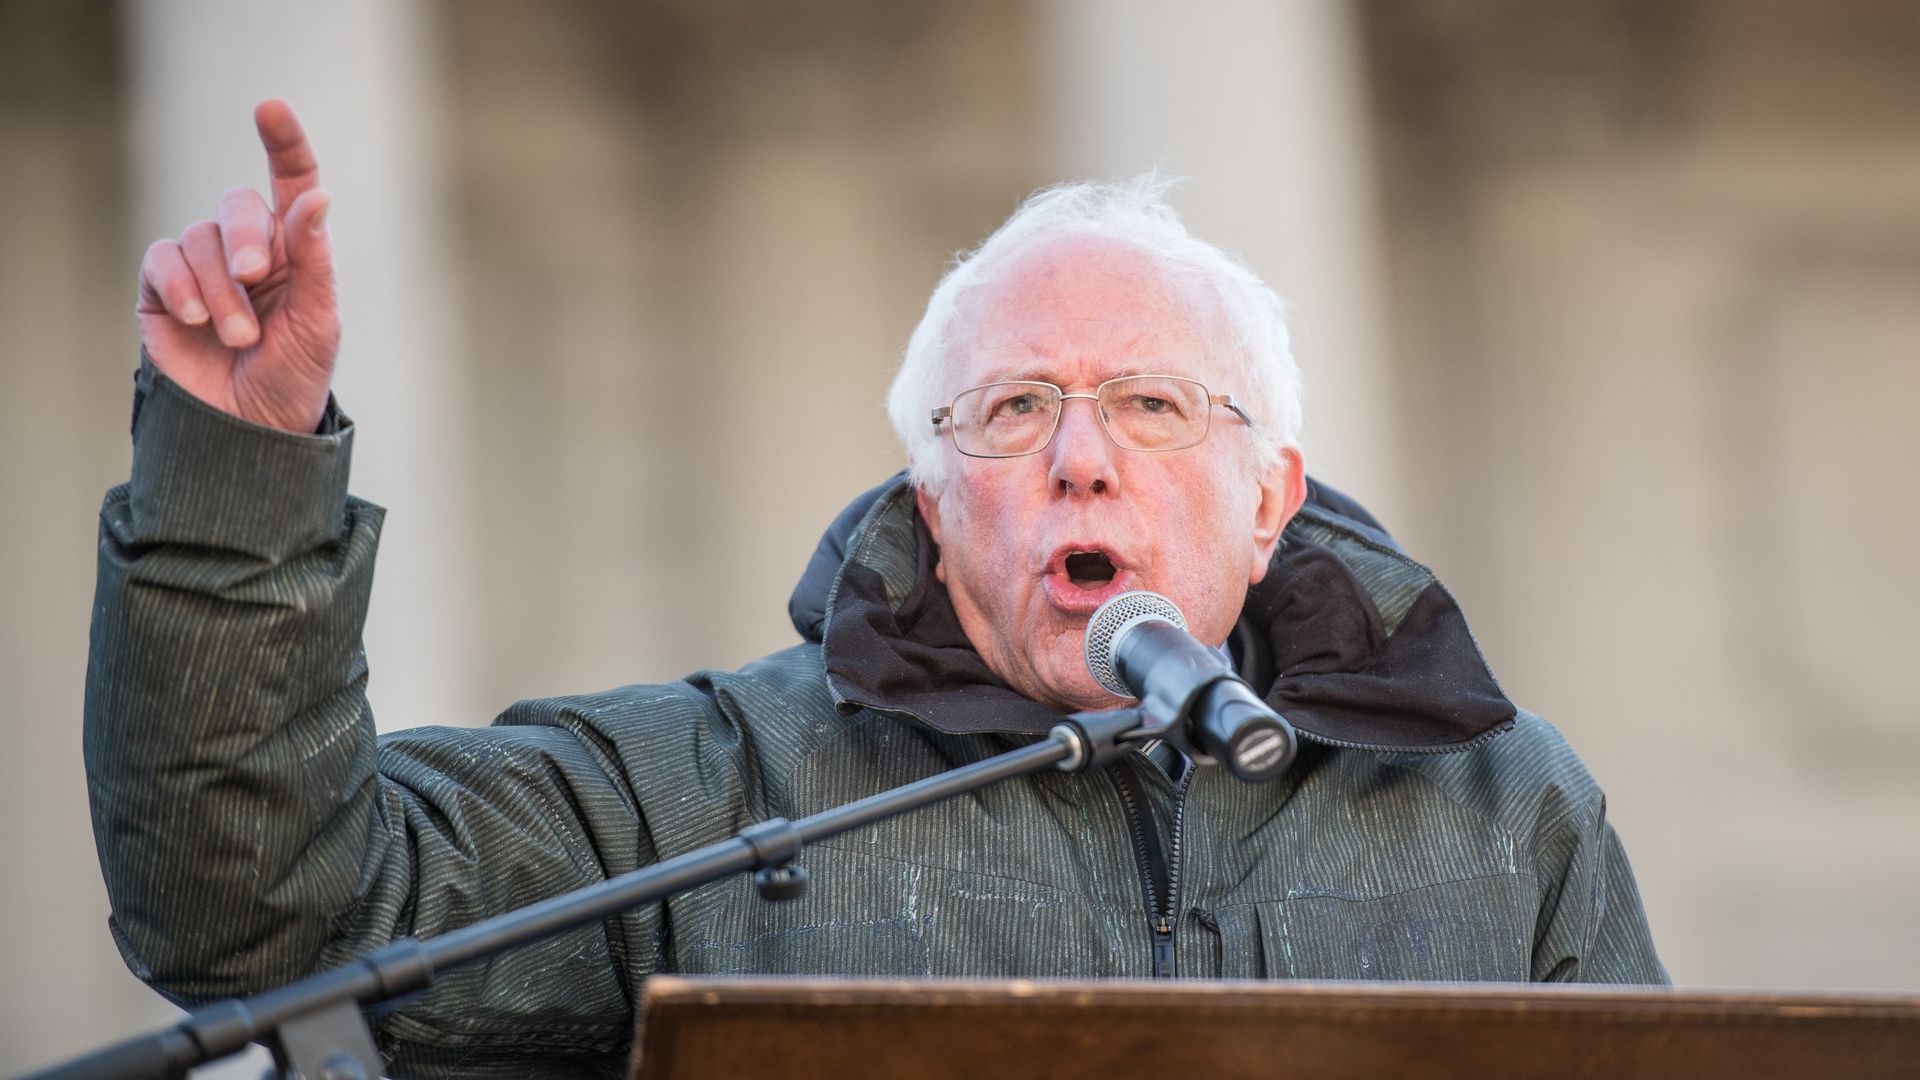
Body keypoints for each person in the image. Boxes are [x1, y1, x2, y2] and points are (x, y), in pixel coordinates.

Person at [86, 101, 1665, 1078]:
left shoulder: (1503, 809)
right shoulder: (707, 795)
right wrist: (237, 465)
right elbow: (274, 916)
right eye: (1009, 412)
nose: (1079, 458)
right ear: (933, 503)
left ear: (1273, 500)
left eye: (1155, 405)